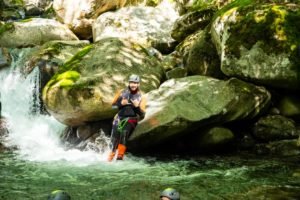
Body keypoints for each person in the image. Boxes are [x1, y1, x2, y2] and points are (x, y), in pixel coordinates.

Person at [108, 74, 146, 161]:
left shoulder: (142, 96)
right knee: (114, 138)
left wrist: (136, 106)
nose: (133, 85)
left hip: (131, 119)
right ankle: (110, 158)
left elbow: (142, 114)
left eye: (135, 83)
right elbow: (112, 106)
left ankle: (119, 158)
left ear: (138, 84)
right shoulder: (121, 92)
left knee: (124, 132)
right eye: (132, 82)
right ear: (129, 83)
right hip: (119, 117)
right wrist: (121, 103)